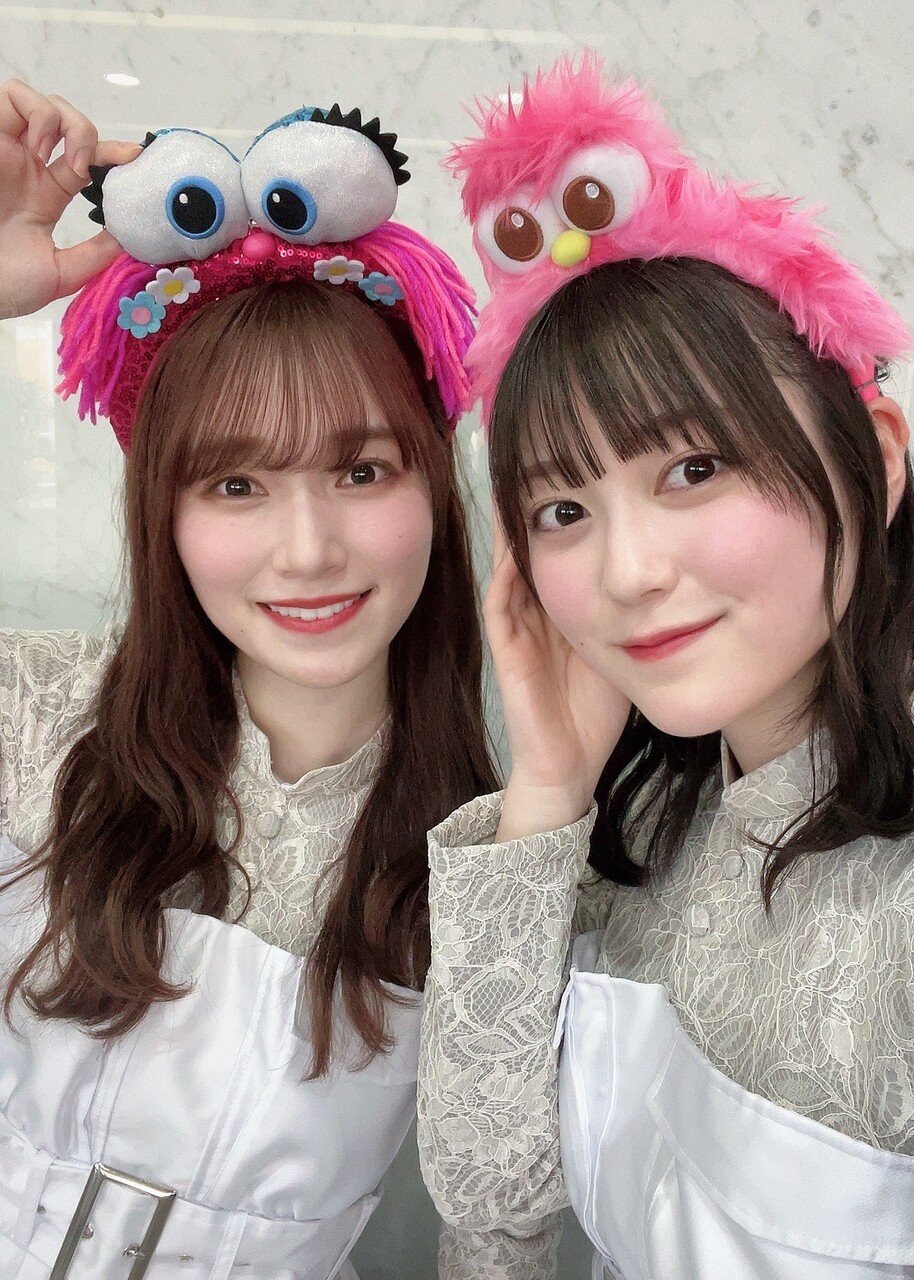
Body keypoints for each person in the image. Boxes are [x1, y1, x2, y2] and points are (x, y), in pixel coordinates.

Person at [418, 55, 914, 1279]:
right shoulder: (662, 811)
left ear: (875, 460)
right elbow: (489, 1205)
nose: (626, 571)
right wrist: (546, 787)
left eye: (693, 469)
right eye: (562, 509)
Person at [0, 80, 497, 1279]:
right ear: (161, 511)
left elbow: (504, 1225)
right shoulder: (30, 715)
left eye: (362, 471)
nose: (308, 550)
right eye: (236, 485)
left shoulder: (496, 845)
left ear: (434, 484)